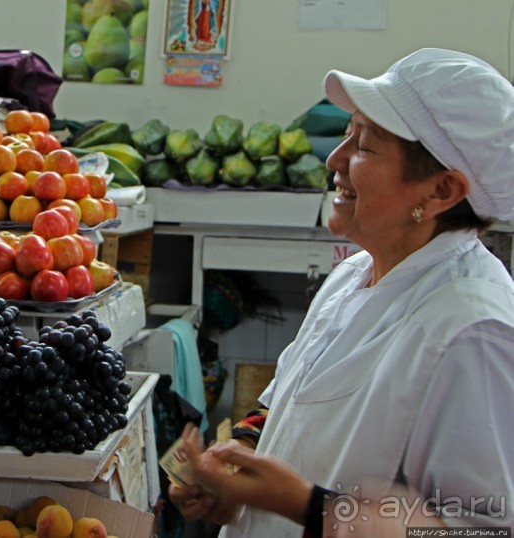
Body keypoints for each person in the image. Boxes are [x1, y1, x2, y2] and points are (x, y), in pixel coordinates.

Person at [168, 47, 514, 537]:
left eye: (366, 146)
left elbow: (482, 528)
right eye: (348, 132)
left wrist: (304, 504)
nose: (334, 158)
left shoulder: (475, 333)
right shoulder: (354, 274)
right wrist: (242, 457)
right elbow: (291, 404)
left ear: (441, 191)